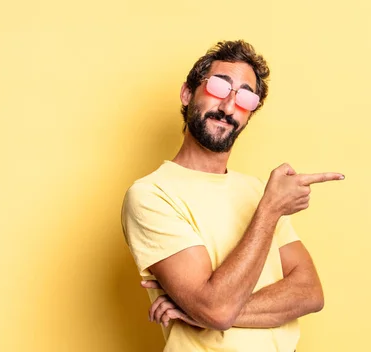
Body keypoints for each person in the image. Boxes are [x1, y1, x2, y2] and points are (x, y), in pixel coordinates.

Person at [121, 40, 344, 352]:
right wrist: (269, 210)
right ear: (188, 94)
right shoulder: (152, 195)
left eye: (244, 98)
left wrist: (199, 313)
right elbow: (216, 308)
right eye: (218, 87)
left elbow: (310, 292)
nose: (228, 107)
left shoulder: (256, 190)